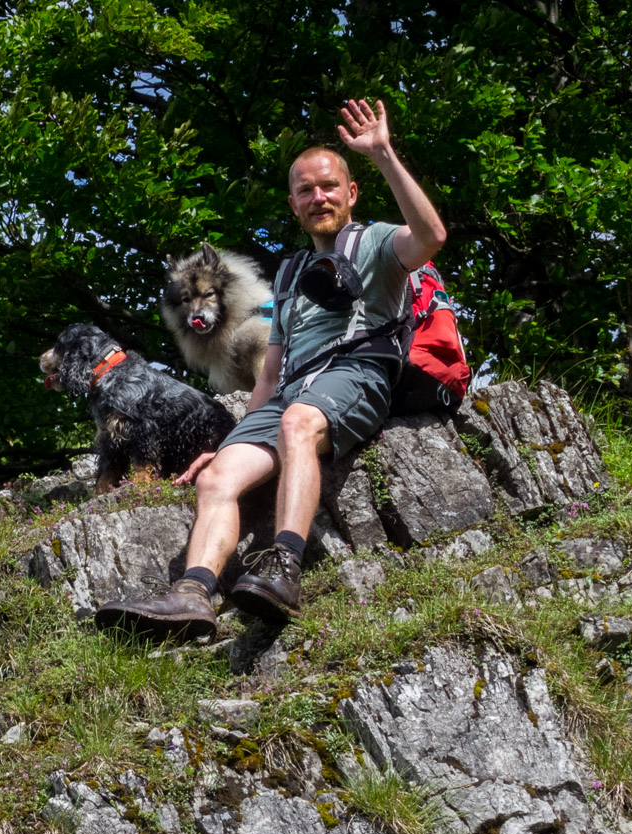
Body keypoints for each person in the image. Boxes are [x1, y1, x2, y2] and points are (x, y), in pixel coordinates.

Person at [96, 98, 446, 639]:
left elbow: (431, 238)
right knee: (217, 475)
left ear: (351, 193)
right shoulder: (289, 274)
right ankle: (191, 595)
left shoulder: (375, 241)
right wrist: (231, 440)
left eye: (329, 186)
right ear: (293, 203)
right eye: (306, 190)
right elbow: (268, 373)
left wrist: (382, 155)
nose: (319, 197)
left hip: (356, 373)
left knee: (296, 423)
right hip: (289, 391)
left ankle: (284, 568)